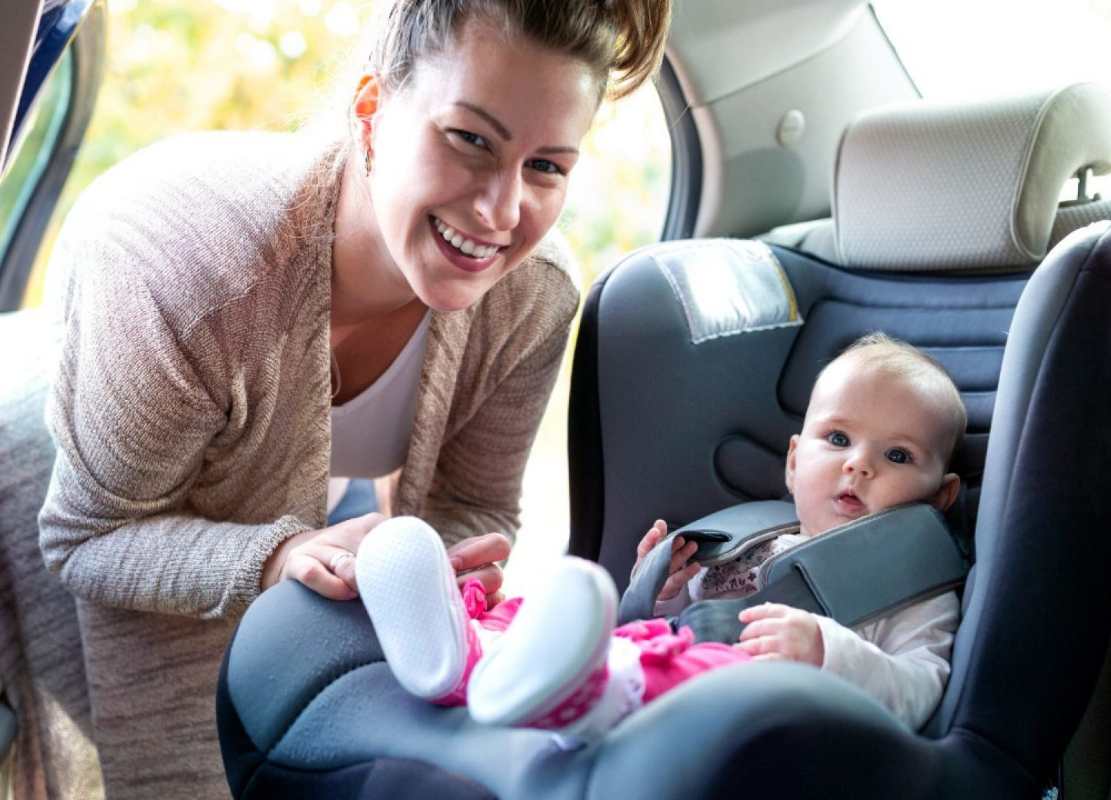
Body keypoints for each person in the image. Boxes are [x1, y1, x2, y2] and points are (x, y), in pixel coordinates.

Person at [34, 1, 671, 797]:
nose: (502, 213)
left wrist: (443, 578)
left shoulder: (532, 299)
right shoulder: (185, 275)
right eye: (471, 140)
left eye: (546, 167)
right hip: (78, 460)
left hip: (311, 502)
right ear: (372, 108)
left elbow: (475, 506)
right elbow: (87, 538)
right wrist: (276, 555)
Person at [357, 333, 967, 741]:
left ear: (941, 496)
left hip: (748, 707)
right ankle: (466, 648)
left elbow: (921, 691)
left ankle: (585, 694)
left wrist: (827, 651)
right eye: (837, 440)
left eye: (896, 454)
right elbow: (688, 621)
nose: (859, 464)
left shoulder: (912, 588)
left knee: (692, 666)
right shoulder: (758, 535)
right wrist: (668, 589)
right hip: (667, 649)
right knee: (541, 609)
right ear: (792, 460)